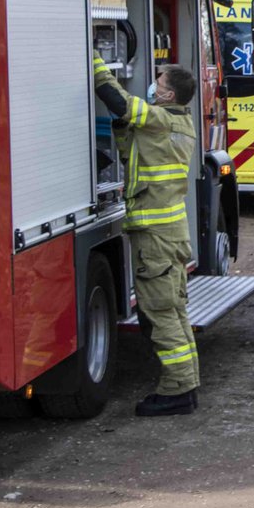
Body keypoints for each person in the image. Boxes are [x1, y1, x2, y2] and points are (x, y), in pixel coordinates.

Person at [93, 55, 200, 417]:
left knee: (160, 313)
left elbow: (120, 102)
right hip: (166, 234)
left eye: (159, 83)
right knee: (173, 312)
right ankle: (186, 385)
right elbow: (132, 145)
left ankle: (177, 390)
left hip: (157, 237)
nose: (153, 86)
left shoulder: (161, 120)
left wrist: (94, 63)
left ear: (168, 96)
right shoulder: (174, 124)